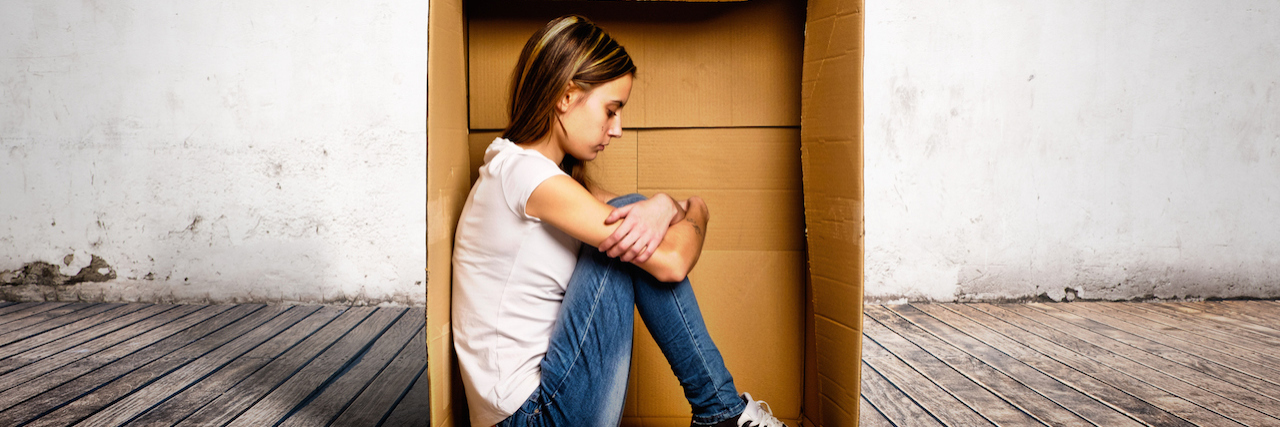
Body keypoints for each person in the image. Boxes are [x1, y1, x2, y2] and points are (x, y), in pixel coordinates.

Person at [452, 15, 786, 427]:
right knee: (631, 227)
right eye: (611, 111)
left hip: (536, 411)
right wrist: (693, 209)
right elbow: (672, 262)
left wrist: (665, 206)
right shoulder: (524, 176)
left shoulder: (543, 178)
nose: (618, 129)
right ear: (566, 96)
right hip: (531, 418)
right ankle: (721, 411)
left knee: (634, 218)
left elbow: (663, 221)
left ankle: (721, 411)